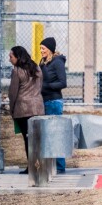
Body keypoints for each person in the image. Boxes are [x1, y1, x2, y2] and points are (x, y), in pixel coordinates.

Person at [8, 46, 44, 174]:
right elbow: (40, 86)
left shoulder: (17, 71)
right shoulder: (37, 68)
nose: (9, 59)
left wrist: (11, 109)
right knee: (38, 139)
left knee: (28, 139)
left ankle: (32, 167)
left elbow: (13, 92)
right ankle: (40, 166)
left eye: (11, 56)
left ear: (18, 57)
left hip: (23, 109)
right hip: (38, 108)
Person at [38, 37, 67, 173]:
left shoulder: (57, 62)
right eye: (40, 48)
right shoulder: (43, 62)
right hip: (44, 101)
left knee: (56, 134)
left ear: (49, 49)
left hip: (54, 102)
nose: (41, 51)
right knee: (48, 135)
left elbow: (63, 83)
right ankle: (51, 164)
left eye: (43, 48)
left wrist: (47, 86)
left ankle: (60, 166)